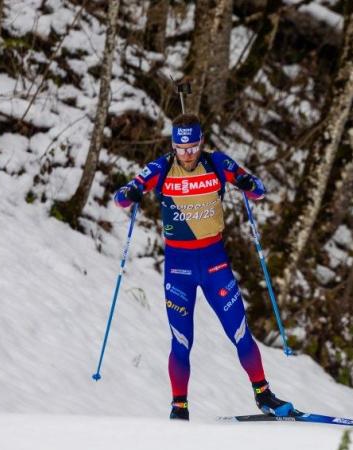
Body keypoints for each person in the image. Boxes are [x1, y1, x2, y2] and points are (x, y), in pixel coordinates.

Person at [114, 114, 294, 421]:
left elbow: (259, 189)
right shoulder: (160, 168)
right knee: (181, 341)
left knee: (240, 332)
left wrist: (250, 185)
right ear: (173, 145)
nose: (186, 154)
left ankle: (263, 394)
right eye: (180, 148)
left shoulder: (218, 164)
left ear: (201, 144)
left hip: (215, 265)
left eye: (192, 148)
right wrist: (129, 194)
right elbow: (122, 196)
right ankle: (179, 407)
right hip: (178, 271)